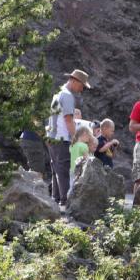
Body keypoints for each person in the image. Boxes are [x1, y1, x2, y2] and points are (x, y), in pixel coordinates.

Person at [46, 69, 90, 206]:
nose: (81, 89)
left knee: (56, 171)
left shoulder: (58, 94)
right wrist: (75, 138)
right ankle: (65, 202)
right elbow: (69, 120)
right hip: (61, 139)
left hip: (52, 138)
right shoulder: (67, 96)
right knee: (63, 170)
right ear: (74, 81)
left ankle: (56, 199)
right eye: (81, 85)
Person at [68, 126, 92, 197]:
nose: (89, 138)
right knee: (78, 186)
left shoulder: (72, 145)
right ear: (84, 134)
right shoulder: (84, 146)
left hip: (72, 168)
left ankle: (68, 197)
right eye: (89, 136)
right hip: (80, 170)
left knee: (71, 185)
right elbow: (87, 159)